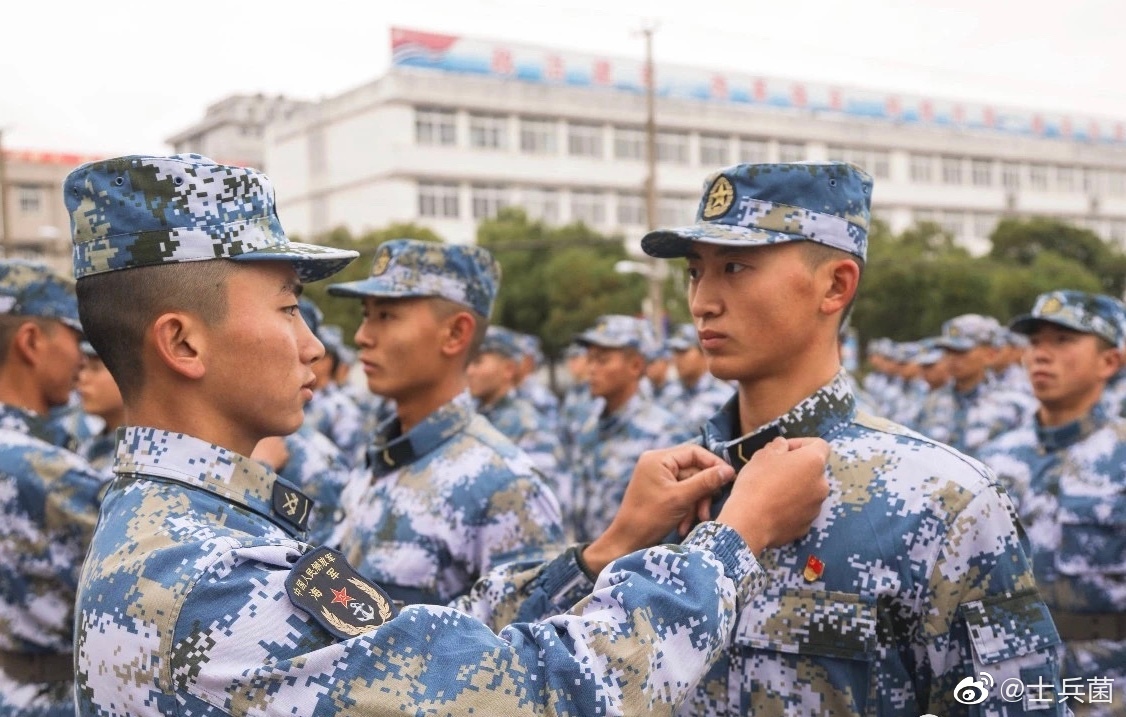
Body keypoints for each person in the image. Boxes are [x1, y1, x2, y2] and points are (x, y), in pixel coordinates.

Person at [68, 153, 832, 716]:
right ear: (184, 343)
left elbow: (405, 641)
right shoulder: (210, 576)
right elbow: (531, 693)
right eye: (286, 306)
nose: (318, 344)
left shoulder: (176, 532)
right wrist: (735, 539)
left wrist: (594, 557)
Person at [636, 161, 1065, 716]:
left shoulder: (943, 502)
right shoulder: (675, 486)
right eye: (696, 271)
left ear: (835, 285)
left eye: (736, 267)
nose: (702, 302)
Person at [977, 290, 1126, 717]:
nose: (1042, 354)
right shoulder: (995, 458)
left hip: (1104, 688)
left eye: (1063, 340)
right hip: (1011, 686)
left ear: (1109, 362)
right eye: (1036, 341)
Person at [0, 259, 107, 715]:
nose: (82, 357)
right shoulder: (44, 469)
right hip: (56, 697)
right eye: (73, 336)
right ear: (30, 342)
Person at [571, 314, 692, 541]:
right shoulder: (588, 427)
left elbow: (674, 529)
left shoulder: (665, 434)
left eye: (603, 360)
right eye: (590, 359)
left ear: (635, 366)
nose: (591, 369)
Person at [466, 324, 570, 522]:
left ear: (508, 370)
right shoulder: (473, 418)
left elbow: (543, 501)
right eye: (468, 362)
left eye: (478, 362)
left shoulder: (527, 424)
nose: (469, 371)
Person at [916, 313, 1035, 457]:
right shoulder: (931, 401)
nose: (952, 359)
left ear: (989, 354)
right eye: (948, 351)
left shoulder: (1015, 403)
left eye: (961, 351)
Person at [665, 322, 735, 430]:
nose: (677, 358)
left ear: (703, 352)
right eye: (675, 352)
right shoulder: (670, 393)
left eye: (683, 352)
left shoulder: (722, 396)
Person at [75, 340, 125, 473]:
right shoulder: (88, 446)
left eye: (95, 368)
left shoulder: (146, 454)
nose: (82, 377)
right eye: (82, 367)